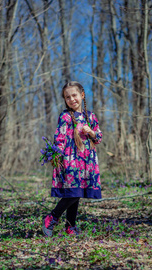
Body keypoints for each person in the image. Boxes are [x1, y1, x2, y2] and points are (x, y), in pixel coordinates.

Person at [42, 81, 102, 237]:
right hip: (71, 160)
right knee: (73, 192)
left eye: (74, 95)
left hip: (87, 161)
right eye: (67, 97)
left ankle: (70, 227)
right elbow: (59, 137)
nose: (71, 99)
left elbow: (98, 138)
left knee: (77, 193)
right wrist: (57, 156)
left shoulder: (91, 116)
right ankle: (52, 217)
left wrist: (91, 132)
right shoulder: (65, 116)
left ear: (82, 95)